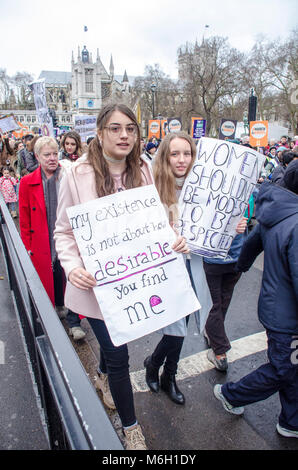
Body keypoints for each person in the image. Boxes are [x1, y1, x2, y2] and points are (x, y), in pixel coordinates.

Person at [54, 103, 189, 450]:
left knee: (115, 344)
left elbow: (156, 220)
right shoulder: (75, 173)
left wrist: (172, 240)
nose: (124, 135)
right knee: (119, 355)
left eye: (130, 128)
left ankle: (101, 377)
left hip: (133, 284)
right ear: (100, 133)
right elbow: (64, 232)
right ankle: (131, 429)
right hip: (96, 285)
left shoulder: (144, 167)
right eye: (115, 128)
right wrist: (72, 267)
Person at [213, 160, 298, 439]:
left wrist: (241, 267)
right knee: (283, 368)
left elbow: (252, 243)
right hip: (286, 316)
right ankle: (232, 395)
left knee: (290, 366)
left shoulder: (278, 211)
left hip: (278, 309)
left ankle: (291, 421)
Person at [143, 131, 212, 405]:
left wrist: (234, 226)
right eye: (175, 153)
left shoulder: (205, 186)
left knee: (181, 324)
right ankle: (158, 367)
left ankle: (164, 371)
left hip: (192, 266)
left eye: (187, 153)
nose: (182, 159)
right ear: (165, 156)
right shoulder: (153, 188)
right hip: (166, 269)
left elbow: (211, 226)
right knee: (175, 327)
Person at [18, 137, 68, 321]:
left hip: (64, 234)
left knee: (65, 272)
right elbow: (24, 218)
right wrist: (27, 246)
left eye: (55, 154)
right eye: (47, 155)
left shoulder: (67, 176)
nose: (52, 158)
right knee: (48, 274)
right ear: (37, 157)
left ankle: (70, 313)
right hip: (41, 238)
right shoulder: (26, 182)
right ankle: (50, 311)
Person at [58, 130, 86, 340]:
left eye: (72, 144)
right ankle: (73, 320)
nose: (69, 148)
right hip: (68, 222)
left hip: (84, 227)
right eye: (66, 144)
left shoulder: (85, 166)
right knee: (72, 271)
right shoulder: (61, 165)